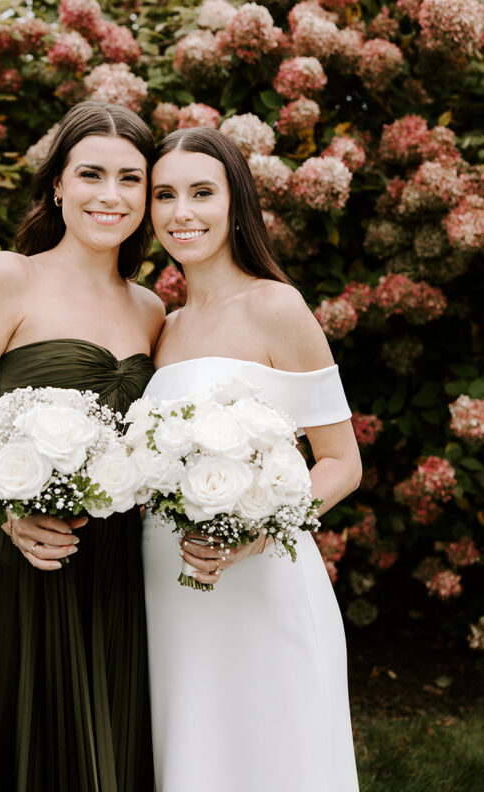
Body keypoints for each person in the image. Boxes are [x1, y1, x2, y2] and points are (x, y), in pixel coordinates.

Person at [0, 101, 164, 792]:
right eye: (91, 174)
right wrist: (8, 511)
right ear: (57, 184)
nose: (110, 195)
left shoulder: (152, 309)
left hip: (109, 570)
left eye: (130, 179)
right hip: (7, 558)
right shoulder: (9, 277)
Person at [141, 126, 362, 792]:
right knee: (190, 755)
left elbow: (340, 463)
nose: (182, 213)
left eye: (201, 192)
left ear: (234, 203)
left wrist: (257, 528)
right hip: (166, 590)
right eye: (164, 195)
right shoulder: (162, 325)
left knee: (275, 756)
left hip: (261, 579)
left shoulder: (276, 306)